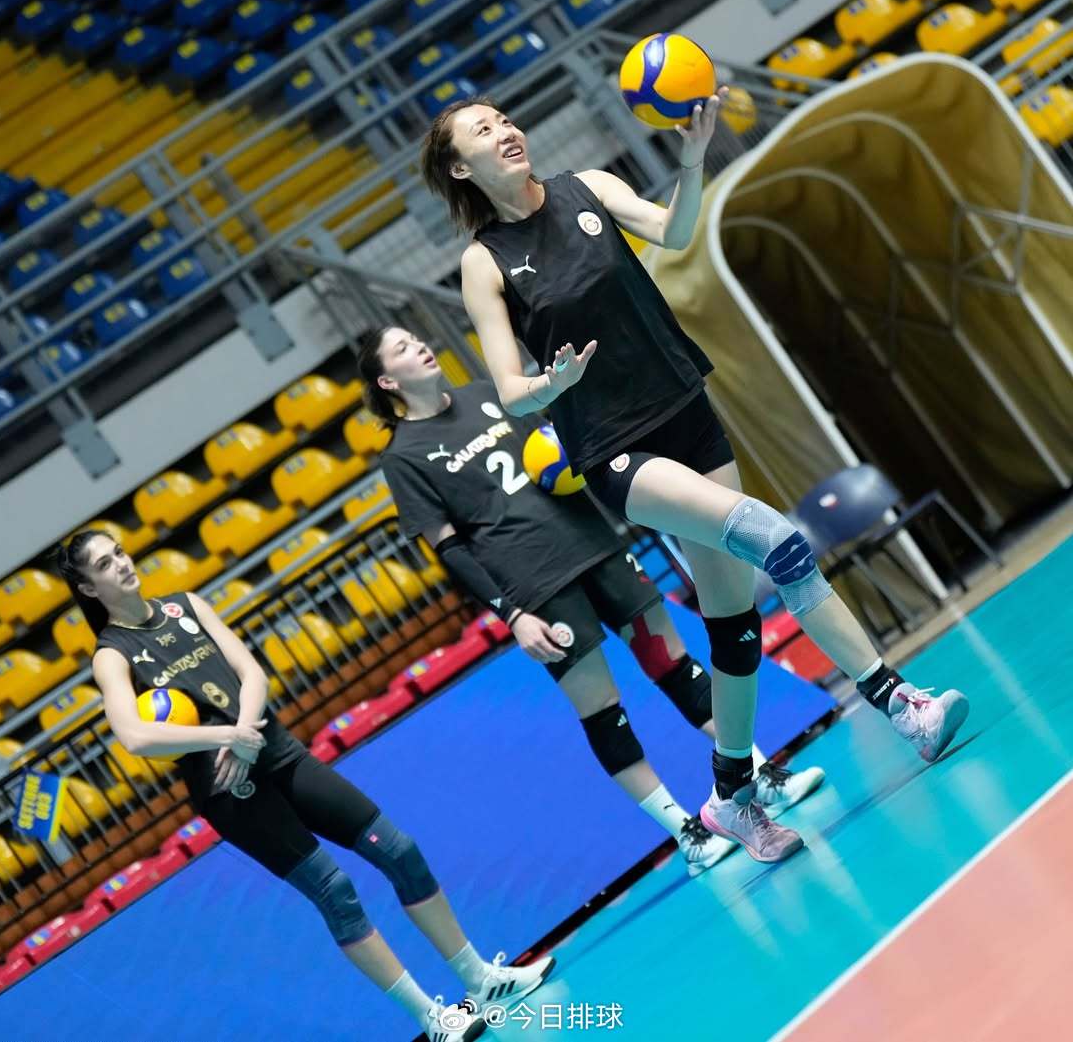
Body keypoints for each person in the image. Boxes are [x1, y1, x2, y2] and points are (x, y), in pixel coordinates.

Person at [418, 95, 970, 864]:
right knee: (779, 541)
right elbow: (509, 390)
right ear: (459, 167)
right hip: (614, 447)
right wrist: (550, 386)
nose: (506, 130)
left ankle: (731, 796)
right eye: (483, 130)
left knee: (734, 624)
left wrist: (687, 160)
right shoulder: (485, 263)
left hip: (684, 407)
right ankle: (900, 702)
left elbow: (673, 233)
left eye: (505, 118)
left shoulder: (587, 189)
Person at [359, 325, 825, 877]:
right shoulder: (404, 457)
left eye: (415, 338)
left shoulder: (487, 394)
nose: (418, 345)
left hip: (595, 545)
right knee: (604, 710)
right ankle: (686, 831)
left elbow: (557, 450)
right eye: (401, 348)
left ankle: (757, 778)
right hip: (537, 585)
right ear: (387, 381)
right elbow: (450, 549)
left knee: (677, 667)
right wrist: (512, 615)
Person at [59, 530, 553, 1042]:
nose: (121, 563)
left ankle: (480, 979)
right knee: (336, 893)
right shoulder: (112, 655)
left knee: (399, 851)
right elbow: (135, 737)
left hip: (277, 751)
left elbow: (251, 673)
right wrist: (227, 737)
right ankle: (432, 1019)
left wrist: (245, 733)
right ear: (89, 588)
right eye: (104, 563)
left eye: (119, 552)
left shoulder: (185, 606)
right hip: (230, 790)